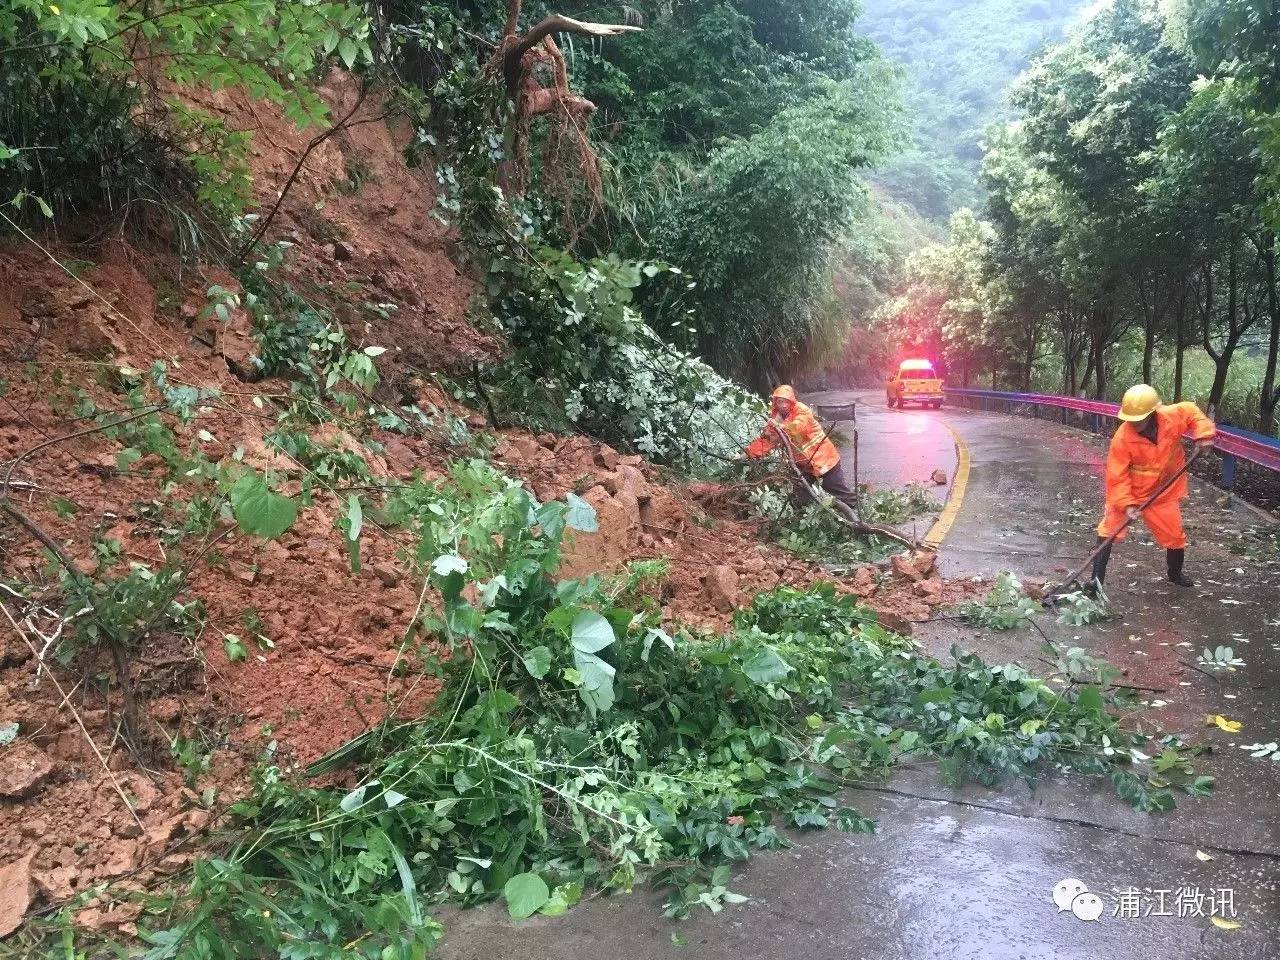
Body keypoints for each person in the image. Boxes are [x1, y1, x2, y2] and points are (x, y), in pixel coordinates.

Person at [1091, 384, 1216, 590]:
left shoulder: (1172, 417)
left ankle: (1175, 574)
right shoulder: (1122, 439)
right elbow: (1116, 475)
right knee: (1108, 530)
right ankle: (1094, 583)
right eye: (1130, 419)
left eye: (1139, 418)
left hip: (1164, 491)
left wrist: (1203, 436)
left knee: (1175, 535)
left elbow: (1194, 413)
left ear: (1152, 413)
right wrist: (1127, 504)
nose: (1134, 423)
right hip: (1131, 492)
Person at [745, 385, 859, 520]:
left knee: (835, 488)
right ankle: (804, 518)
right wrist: (748, 453)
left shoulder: (802, 411)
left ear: (791, 401)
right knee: (799, 495)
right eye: (779, 401)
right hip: (803, 465)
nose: (782, 405)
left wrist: (781, 427)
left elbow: (798, 427)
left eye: (785, 401)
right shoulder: (776, 418)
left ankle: (856, 516)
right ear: (775, 402)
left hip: (824, 460)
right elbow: (767, 441)